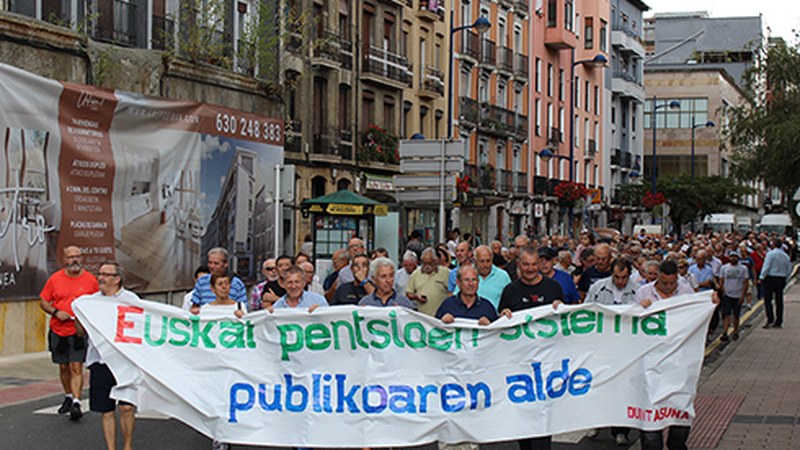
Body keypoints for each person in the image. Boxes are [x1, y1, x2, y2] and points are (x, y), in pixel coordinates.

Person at [636, 259, 716, 450]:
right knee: (650, 431)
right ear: (657, 279)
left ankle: (677, 443)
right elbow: (631, 322)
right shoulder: (643, 293)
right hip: (650, 365)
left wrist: (710, 302)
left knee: (679, 415)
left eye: (673, 283)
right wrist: (640, 308)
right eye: (665, 283)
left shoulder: (687, 292)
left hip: (679, 364)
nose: (669, 287)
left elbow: (698, 317)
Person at [497, 246, 563, 450]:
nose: (530, 268)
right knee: (523, 420)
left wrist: (562, 309)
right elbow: (500, 323)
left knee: (544, 418)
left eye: (534, 264)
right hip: (520, 364)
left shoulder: (553, 288)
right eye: (526, 264)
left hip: (547, 363)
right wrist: (503, 315)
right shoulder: (510, 290)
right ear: (519, 265)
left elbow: (569, 324)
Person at [80, 262, 138, 450]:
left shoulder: (131, 300)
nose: (101, 278)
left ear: (117, 278)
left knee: (127, 407)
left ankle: (127, 446)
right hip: (101, 361)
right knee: (106, 410)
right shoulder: (91, 302)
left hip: (125, 362)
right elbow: (80, 332)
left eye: (106, 274)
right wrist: (79, 318)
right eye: (100, 274)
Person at [39, 245, 99, 421]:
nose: (74, 260)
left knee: (76, 366)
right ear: (64, 260)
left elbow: (97, 303)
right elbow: (43, 301)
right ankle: (67, 396)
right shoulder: (55, 279)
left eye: (77, 256)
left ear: (82, 258)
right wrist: (56, 312)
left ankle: (77, 402)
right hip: (58, 329)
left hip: (78, 331)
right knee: (64, 366)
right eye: (70, 257)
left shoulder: (90, 280)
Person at [582, 258, 638, 445]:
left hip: (626, 349)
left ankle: (621, 430)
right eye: (616, 277)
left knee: (623, 390)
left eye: (623, 277)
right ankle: (595, 421)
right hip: (601, 347)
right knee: (598, 385)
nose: (620, 281)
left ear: (629, 275)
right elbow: (587, 311)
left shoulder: (638, 290)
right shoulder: (598, 288)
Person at [192, 272, 246, 450]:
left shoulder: (239, 307)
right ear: (212, 288)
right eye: (220, 284)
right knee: (216, 399)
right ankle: (219, 436)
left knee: (229, 399)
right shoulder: (206, 309)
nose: (224, 287)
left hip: (234, 362)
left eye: (226, 284)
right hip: (214, 362)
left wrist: (243, 318)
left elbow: (250, 330)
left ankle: (228, 434)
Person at [437, 265, 502, 325]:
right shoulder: (447, 305)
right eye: (466, 280)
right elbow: (434, 329)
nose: (471, 284)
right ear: (458, 282)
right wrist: (442, 322)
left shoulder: (487, 307)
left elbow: (497, 331)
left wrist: (489, 325)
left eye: (474, 280)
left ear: (478, 282)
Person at [189, 248, 247, 312]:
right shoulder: (201, 282)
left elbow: (243, 309)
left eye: (216, 263)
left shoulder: (237, 284)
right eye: (210, 263)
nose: (212, 266)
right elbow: (194, 305)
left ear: (226, 264)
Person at [405, 248, 452, 316]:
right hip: (423, 316)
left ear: (435, 261)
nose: (427, 266)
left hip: (442, 316)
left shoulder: (446, 272)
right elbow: (409, 293)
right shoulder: (416, 274)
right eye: (424, 263)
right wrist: (416, 297)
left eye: (430, 263)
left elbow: (453, 291)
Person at [760, 238, 792, 329]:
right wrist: (786, 277)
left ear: (774, 244)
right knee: (779, 300)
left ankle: (770, 319)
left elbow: (766, 266)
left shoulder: (770, 254)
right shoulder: (785, 255)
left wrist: (762, 277)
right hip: (781, 279)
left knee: (768, 300)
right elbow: (789, 268)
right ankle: (779, 321)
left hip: (770, 278)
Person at [719, 250, 749, 341]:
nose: (733, 258)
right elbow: (721, 280)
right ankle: (725, 332)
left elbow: (746, 282)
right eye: (731, 256)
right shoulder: (724, 268)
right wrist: (723, 292)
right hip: (727, 295)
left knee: (736, 315)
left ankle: (736, 331)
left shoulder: (743, 268)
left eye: (735, 256)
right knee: (726, 314)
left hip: (738, 295)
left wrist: (743, 295)